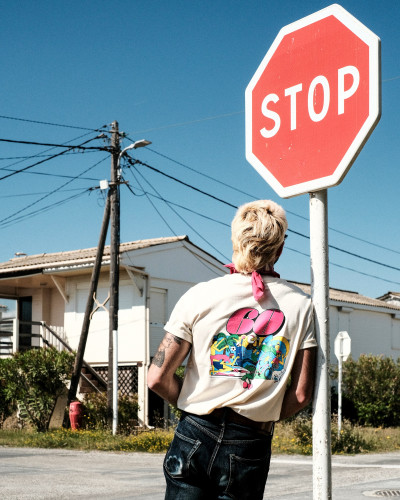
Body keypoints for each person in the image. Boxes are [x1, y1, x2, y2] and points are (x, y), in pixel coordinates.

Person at [148, 199, 317, 500]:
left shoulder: (199, 295)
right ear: (279, 249)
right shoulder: (301, 306)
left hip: (194, 432)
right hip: (250, 440)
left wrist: (193, 405)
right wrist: (262, 413)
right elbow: (302, 394)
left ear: (235, 242)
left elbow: (157, 377)